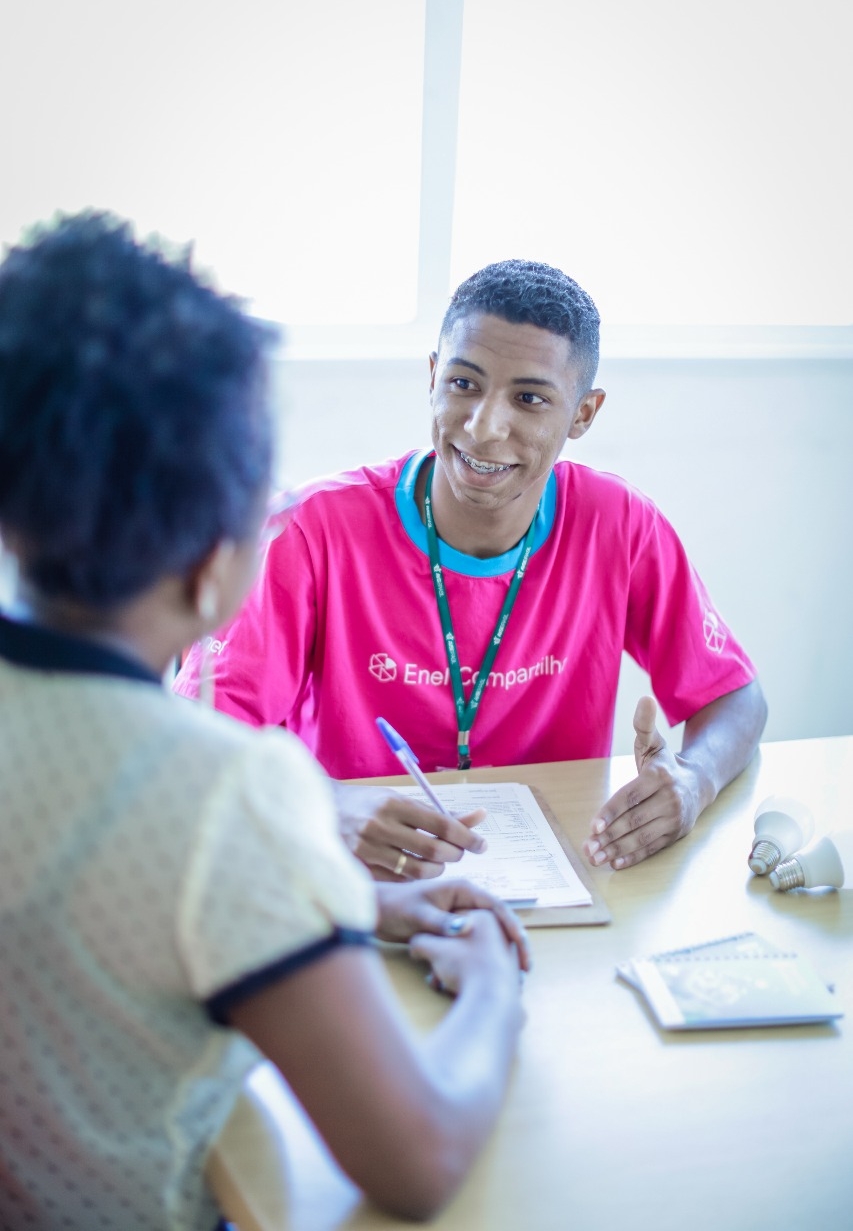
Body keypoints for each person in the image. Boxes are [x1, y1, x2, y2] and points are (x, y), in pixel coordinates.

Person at [0, 214, 529, 1230]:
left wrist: (348, 902)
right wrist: (493, 984)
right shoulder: (216, 787)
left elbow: (86, 904)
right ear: (213, 567)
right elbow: (416, 1158)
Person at [175, 259, 767, 880]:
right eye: (463, 383)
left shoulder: (619, 525)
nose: (485, 428)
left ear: (583, 415)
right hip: (353, 879)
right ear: (433, 377)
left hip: (558, 875)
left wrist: (694, 781)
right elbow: (193, 733)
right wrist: (325, 806)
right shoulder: (311, 530)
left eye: (530, 398)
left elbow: (736, 697)